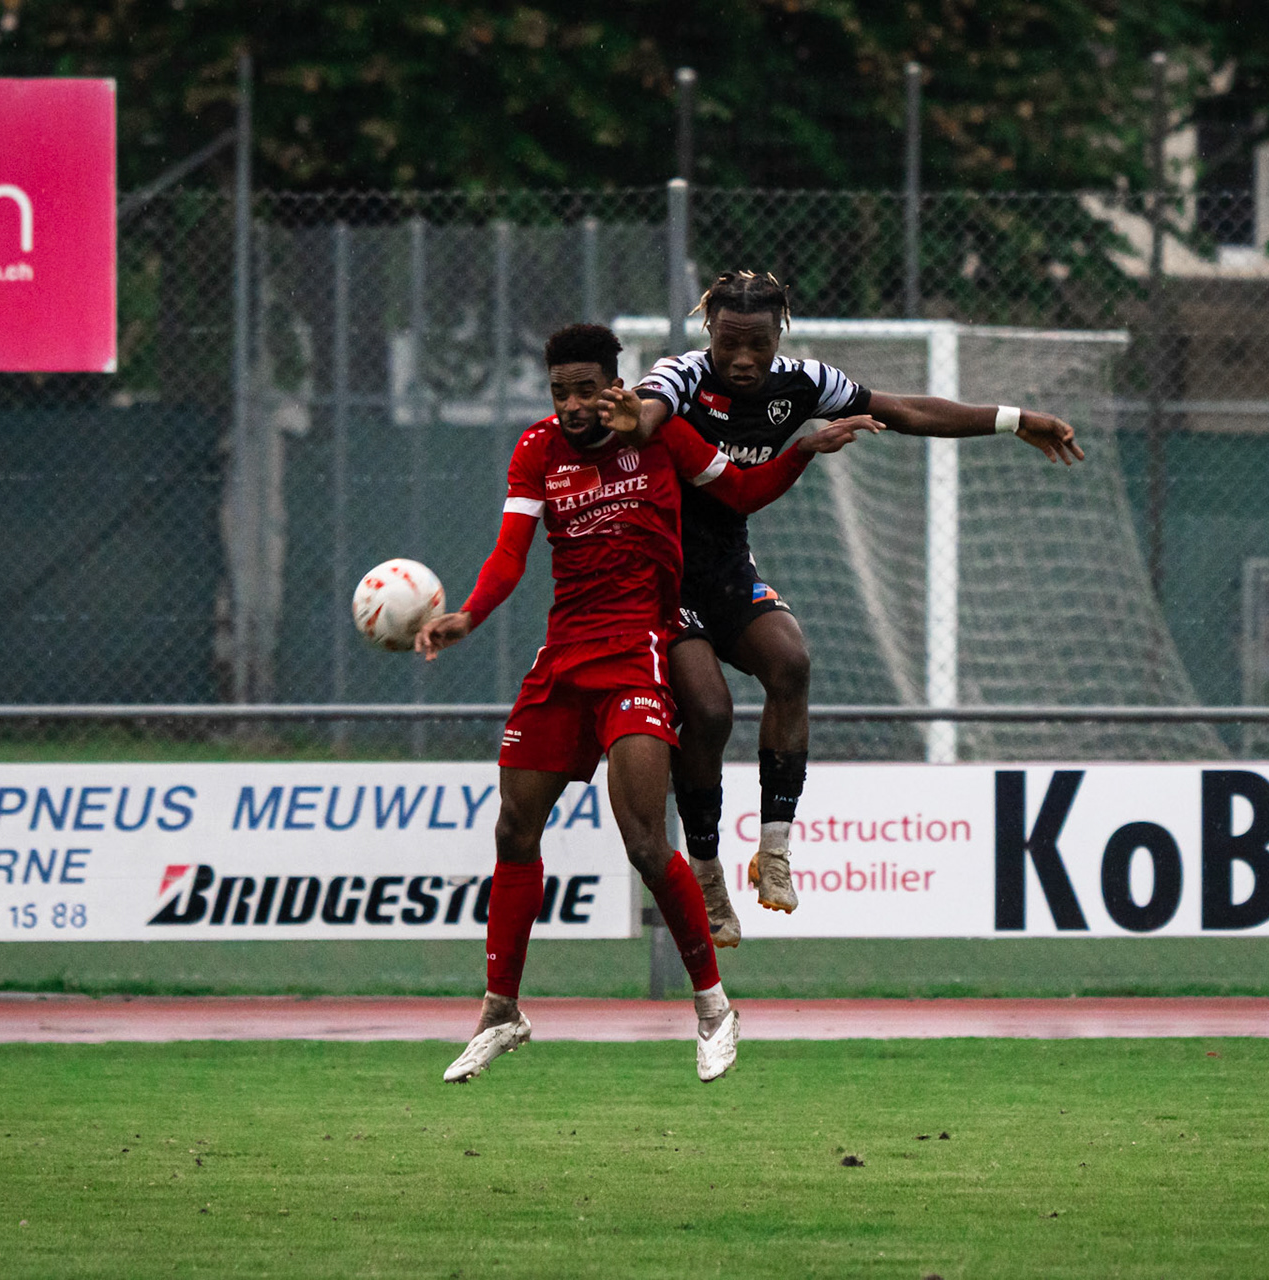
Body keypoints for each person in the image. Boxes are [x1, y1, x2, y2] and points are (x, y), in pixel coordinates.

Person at [417, 322, 877, 1083]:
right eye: (559, 390)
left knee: (639, 839)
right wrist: (469, 613)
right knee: (513, 830)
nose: (572, 403)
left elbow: (740, 491)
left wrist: (799, 450)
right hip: (564, 658)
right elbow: (509, 553)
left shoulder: (663, 435)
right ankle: (502, 1011)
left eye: (586, 388)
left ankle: (712, 1007)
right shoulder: (537, 449)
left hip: (639, 653)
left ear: (613, 382)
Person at [630, 270, 1085, 944]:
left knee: (790, 662)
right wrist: (615, 420)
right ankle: (705, 872)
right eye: (731, 345)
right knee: (709, 710)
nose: (744, 359)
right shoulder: (681, 377)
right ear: (710, 334)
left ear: (779, 332)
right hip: (662, 579)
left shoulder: (805, 383)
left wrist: (1013, 419)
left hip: (727, 571)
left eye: (758, 344)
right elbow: (643, 413)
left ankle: (775, 850)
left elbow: (906, 410)